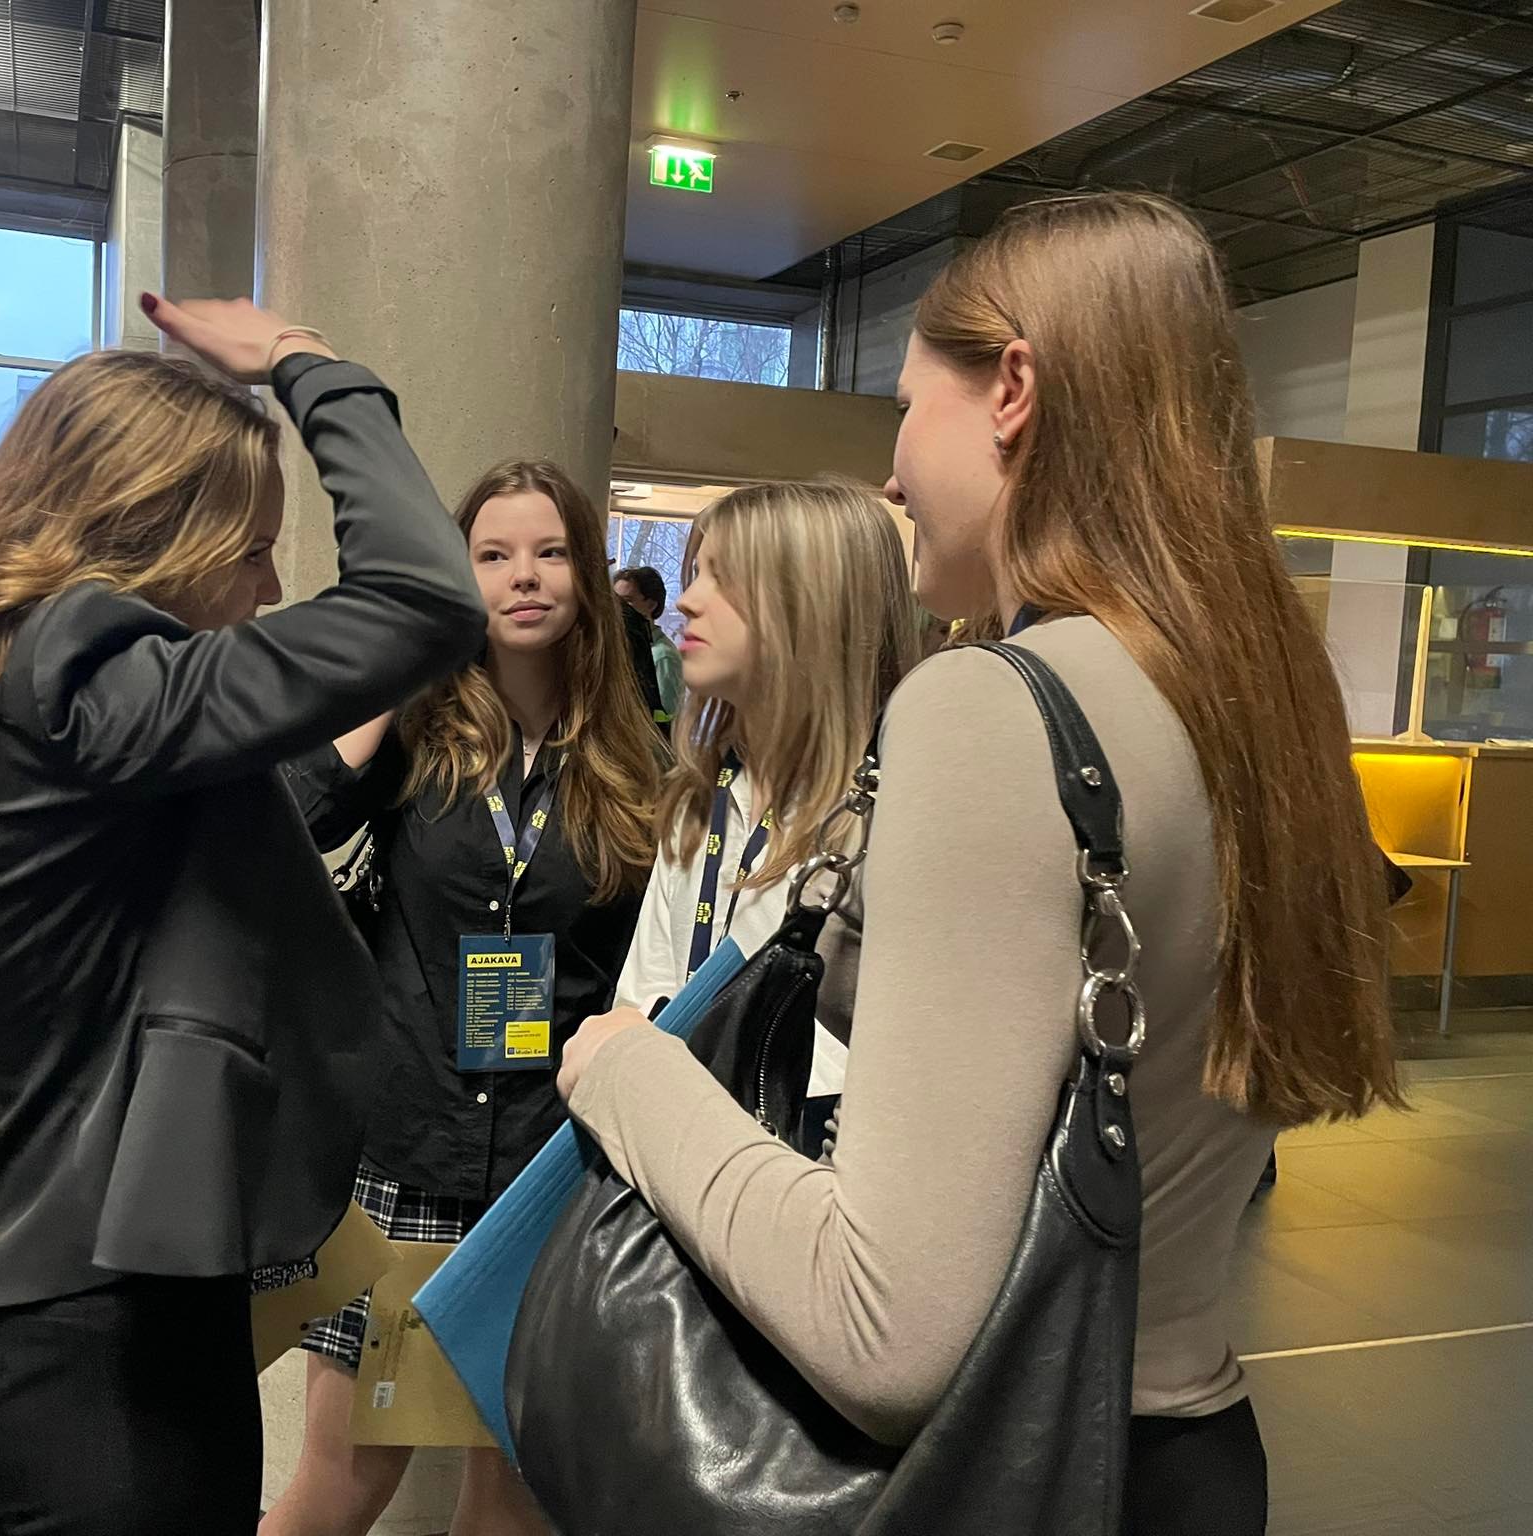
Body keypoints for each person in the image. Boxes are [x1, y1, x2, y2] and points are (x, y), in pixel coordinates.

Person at [556, 192, 1404, 1535]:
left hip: (1004, 1475)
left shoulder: (996, 710)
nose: (892, 477)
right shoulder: (1261, 706)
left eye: (906, 407)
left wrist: (624, 1071)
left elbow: (885, 1329)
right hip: (1185, 1457)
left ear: (1012, 389)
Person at [0, 297, 486, 1536]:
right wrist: (309, 367)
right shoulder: (87, 686)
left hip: (39, 1302)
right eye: (252, 549)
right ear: (151, 534)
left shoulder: (20, 694)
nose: (271, 588)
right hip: (98, 1338)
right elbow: (424, 598)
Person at [267, 459, 663, 1536]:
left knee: (511, 1502)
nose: (522, 576)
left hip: (550, 1172)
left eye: (550, 553)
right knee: (340, 1485)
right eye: (492, 556)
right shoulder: (415, 738)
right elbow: (286, 823)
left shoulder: (633, 762)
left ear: (586, 577)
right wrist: (400, 668)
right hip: (405, 1155)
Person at [611, 481, 917, 1134]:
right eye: (696, 573)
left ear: (813, 608)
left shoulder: (894, 818)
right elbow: (641, 996)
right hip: (670, 1141)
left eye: (721, 579)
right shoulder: (698, 796)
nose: (686, 600)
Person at [613, 564, 683, 723]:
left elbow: (667, 720)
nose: (618, 608)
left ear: (651, 605)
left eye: (627, 601)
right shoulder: (622, 650)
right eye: (615, 601)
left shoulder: (662, 656)